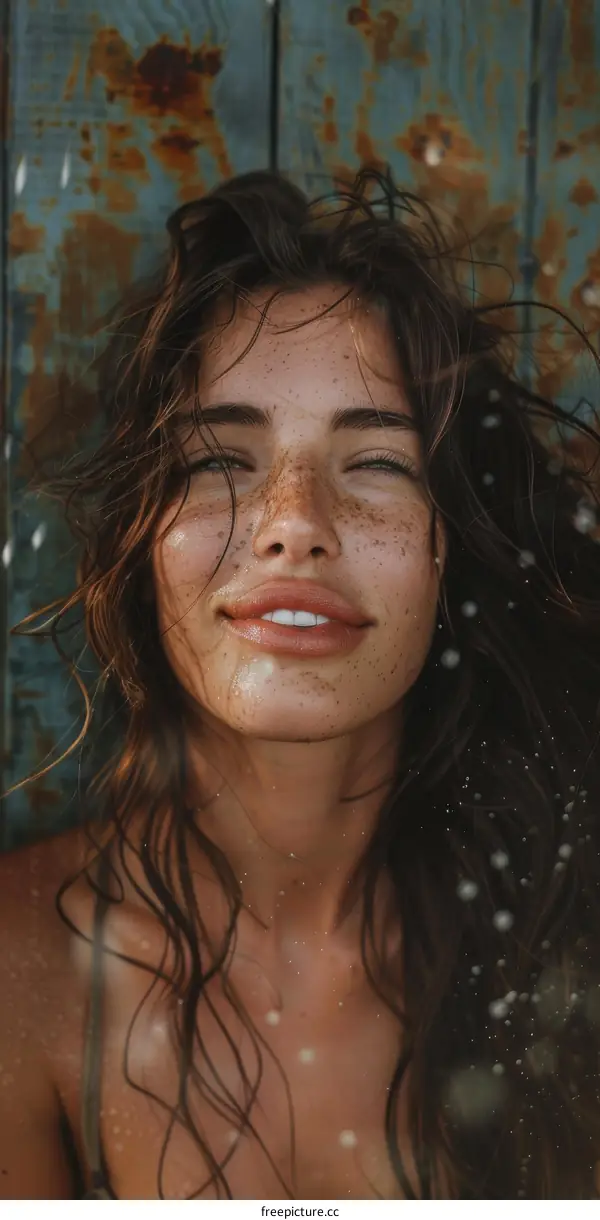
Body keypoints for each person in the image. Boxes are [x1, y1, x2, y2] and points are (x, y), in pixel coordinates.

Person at [1, 166, 599, 1201]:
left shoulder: (565, 947)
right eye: (218, 459)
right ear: (143, 541)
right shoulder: (21, 971)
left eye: (377, 463)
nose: (293, 519)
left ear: (452, 546)